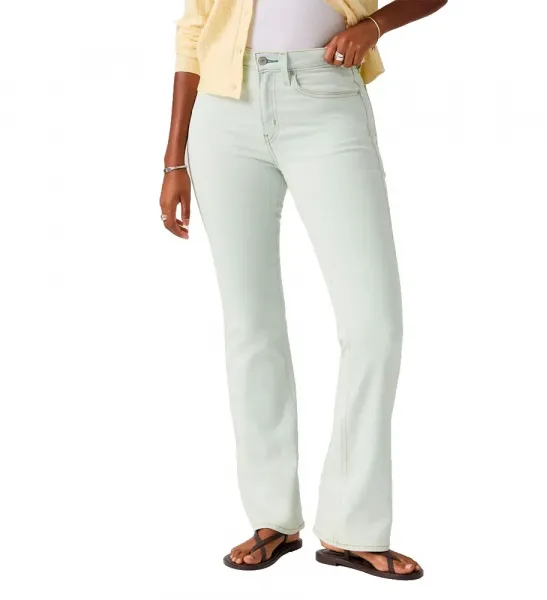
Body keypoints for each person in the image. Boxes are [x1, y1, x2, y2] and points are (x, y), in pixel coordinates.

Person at [160, 0, 446, 581]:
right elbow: (194, 32)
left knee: (374, 325)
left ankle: (353, 526)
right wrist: (174, 161)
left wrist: (374, 27)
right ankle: (272, 518)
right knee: (251, 325)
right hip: (223, 110)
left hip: (325, 96)